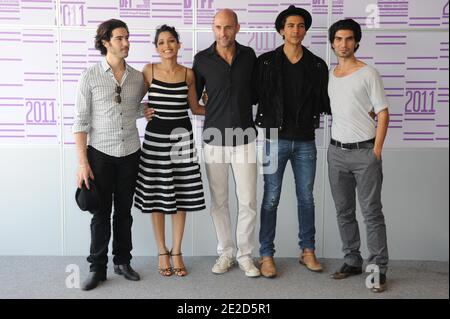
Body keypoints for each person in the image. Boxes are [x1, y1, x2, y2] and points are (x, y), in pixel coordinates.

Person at [73, 19, 154, 291]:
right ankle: (97, 268)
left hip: (131, 152)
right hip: (100, 155)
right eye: (120, 38)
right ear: (105, 41)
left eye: (127, 37)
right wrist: (82, 163)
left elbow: (134, 107)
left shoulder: (137, 78)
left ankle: (122, 261)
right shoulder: (90, 76)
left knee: (124, 212)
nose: (126, 43)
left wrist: (144, 111)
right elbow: (80, 123)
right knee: (100, 214)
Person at [253, 5, 331, 278]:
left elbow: (329, 102)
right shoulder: (264, 63)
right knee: (271, 197)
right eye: (290, 26)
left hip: (306, 141)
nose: (295, 30)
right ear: (281, 30)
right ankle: (266, 254)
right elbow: (247, 95)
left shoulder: (318, 65)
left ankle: (307, 251)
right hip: (274, 138)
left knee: (306, 198)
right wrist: (209, 99)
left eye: (300, 25)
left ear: (305, 30)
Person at [193, 9, 260, 277]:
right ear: (212, 28)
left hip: (245, 137)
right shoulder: (202, 60)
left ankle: (245, 255)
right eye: (219, 27)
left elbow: (255, 94)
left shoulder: (249, 56)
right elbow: (194, 100)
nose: (223, 33)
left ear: (237, 28)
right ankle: (226, 252)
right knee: (219, 202)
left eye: (228, 27)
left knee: (248, 201)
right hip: (214, 138)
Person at [134, 25, 206, 277]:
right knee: (156, 196)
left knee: (181, 196)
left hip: (181, 142)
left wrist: (225, 104)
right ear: (156, 47)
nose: (167, 46)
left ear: (178, 44)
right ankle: (162, 251)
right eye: (162, 42)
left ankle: (177, 250)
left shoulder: (188, 74)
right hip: (155, 142)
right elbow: (134, 101)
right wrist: (141, 110)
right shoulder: (149, 71)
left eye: (172, 41)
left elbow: (196, 108)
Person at [327, 19, 389, 293]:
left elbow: (383, 112)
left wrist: (376, 150)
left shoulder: (368, 73)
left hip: (365, 152)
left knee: (372, 213)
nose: (344, 44)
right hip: (336, 152)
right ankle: (352, 260)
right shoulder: (330, 74)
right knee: (344, 211)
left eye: (349, 39)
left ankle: (377, 269)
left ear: (356, 42)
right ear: (332, 43)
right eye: (339, 39)